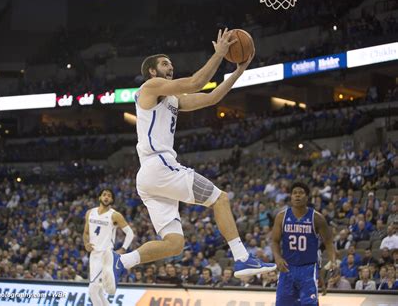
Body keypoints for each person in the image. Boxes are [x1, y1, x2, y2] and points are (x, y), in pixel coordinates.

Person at [101, 28, 276, 294]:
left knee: (174, 244)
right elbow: (195, 82)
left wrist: (239, 70)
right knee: (220, 199)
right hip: (159, 165)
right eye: (164, 63)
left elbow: (211, 97)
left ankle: (121, 261)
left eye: (171, 63)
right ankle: (242, 258)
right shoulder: (150, 87)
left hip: (150, 177)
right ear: (152, 71)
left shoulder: (171, 99)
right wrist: (218, 54)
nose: (170, 66)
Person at [272, 182, 336, 306]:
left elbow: (328, 241)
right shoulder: (281, 217)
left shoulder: (317, 218)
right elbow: (275, 241)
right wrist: (277, 257)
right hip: (287, 268)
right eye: (294, 193)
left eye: (301, 193)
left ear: (307, 197)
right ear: (290, 197)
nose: (297, 196)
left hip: (308, 269)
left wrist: (333, 260)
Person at [83, 189, 134, 306]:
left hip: (105, 255)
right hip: (94, 255)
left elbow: (130, 233)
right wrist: (86, 243)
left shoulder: (115, 215)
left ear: (112, 200)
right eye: (104, 195)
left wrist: (123, 248)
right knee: (99, 291)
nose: (106, 197)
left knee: (92, 290)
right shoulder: (90, 213)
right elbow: (86, 233)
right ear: (99, 197)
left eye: (109, 196)